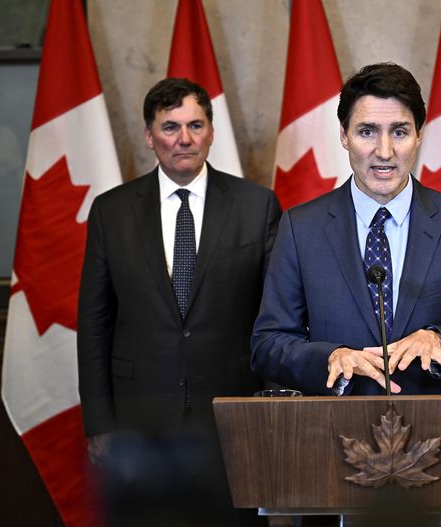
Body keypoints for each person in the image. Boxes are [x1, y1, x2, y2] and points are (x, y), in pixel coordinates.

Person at [77, 77, 281, 526]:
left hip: (231, 417)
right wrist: (100, 423)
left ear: (211, 132)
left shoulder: (257, 206)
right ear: (149, 137)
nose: (184, 139)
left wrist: (272, 417)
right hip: (139, 420)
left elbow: (275, 318)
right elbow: (94, 325)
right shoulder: (111, 211)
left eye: (195, 125)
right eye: (170, 127)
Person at [251, 62, 441, 397]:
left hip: (434, 424)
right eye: (367, 132)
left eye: (399, 132)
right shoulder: (301, 228)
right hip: (332, 424)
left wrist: (440, 340)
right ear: (344, 135)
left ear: (419, 135)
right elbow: (268, 345)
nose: (384, 151)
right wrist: (329, 358)